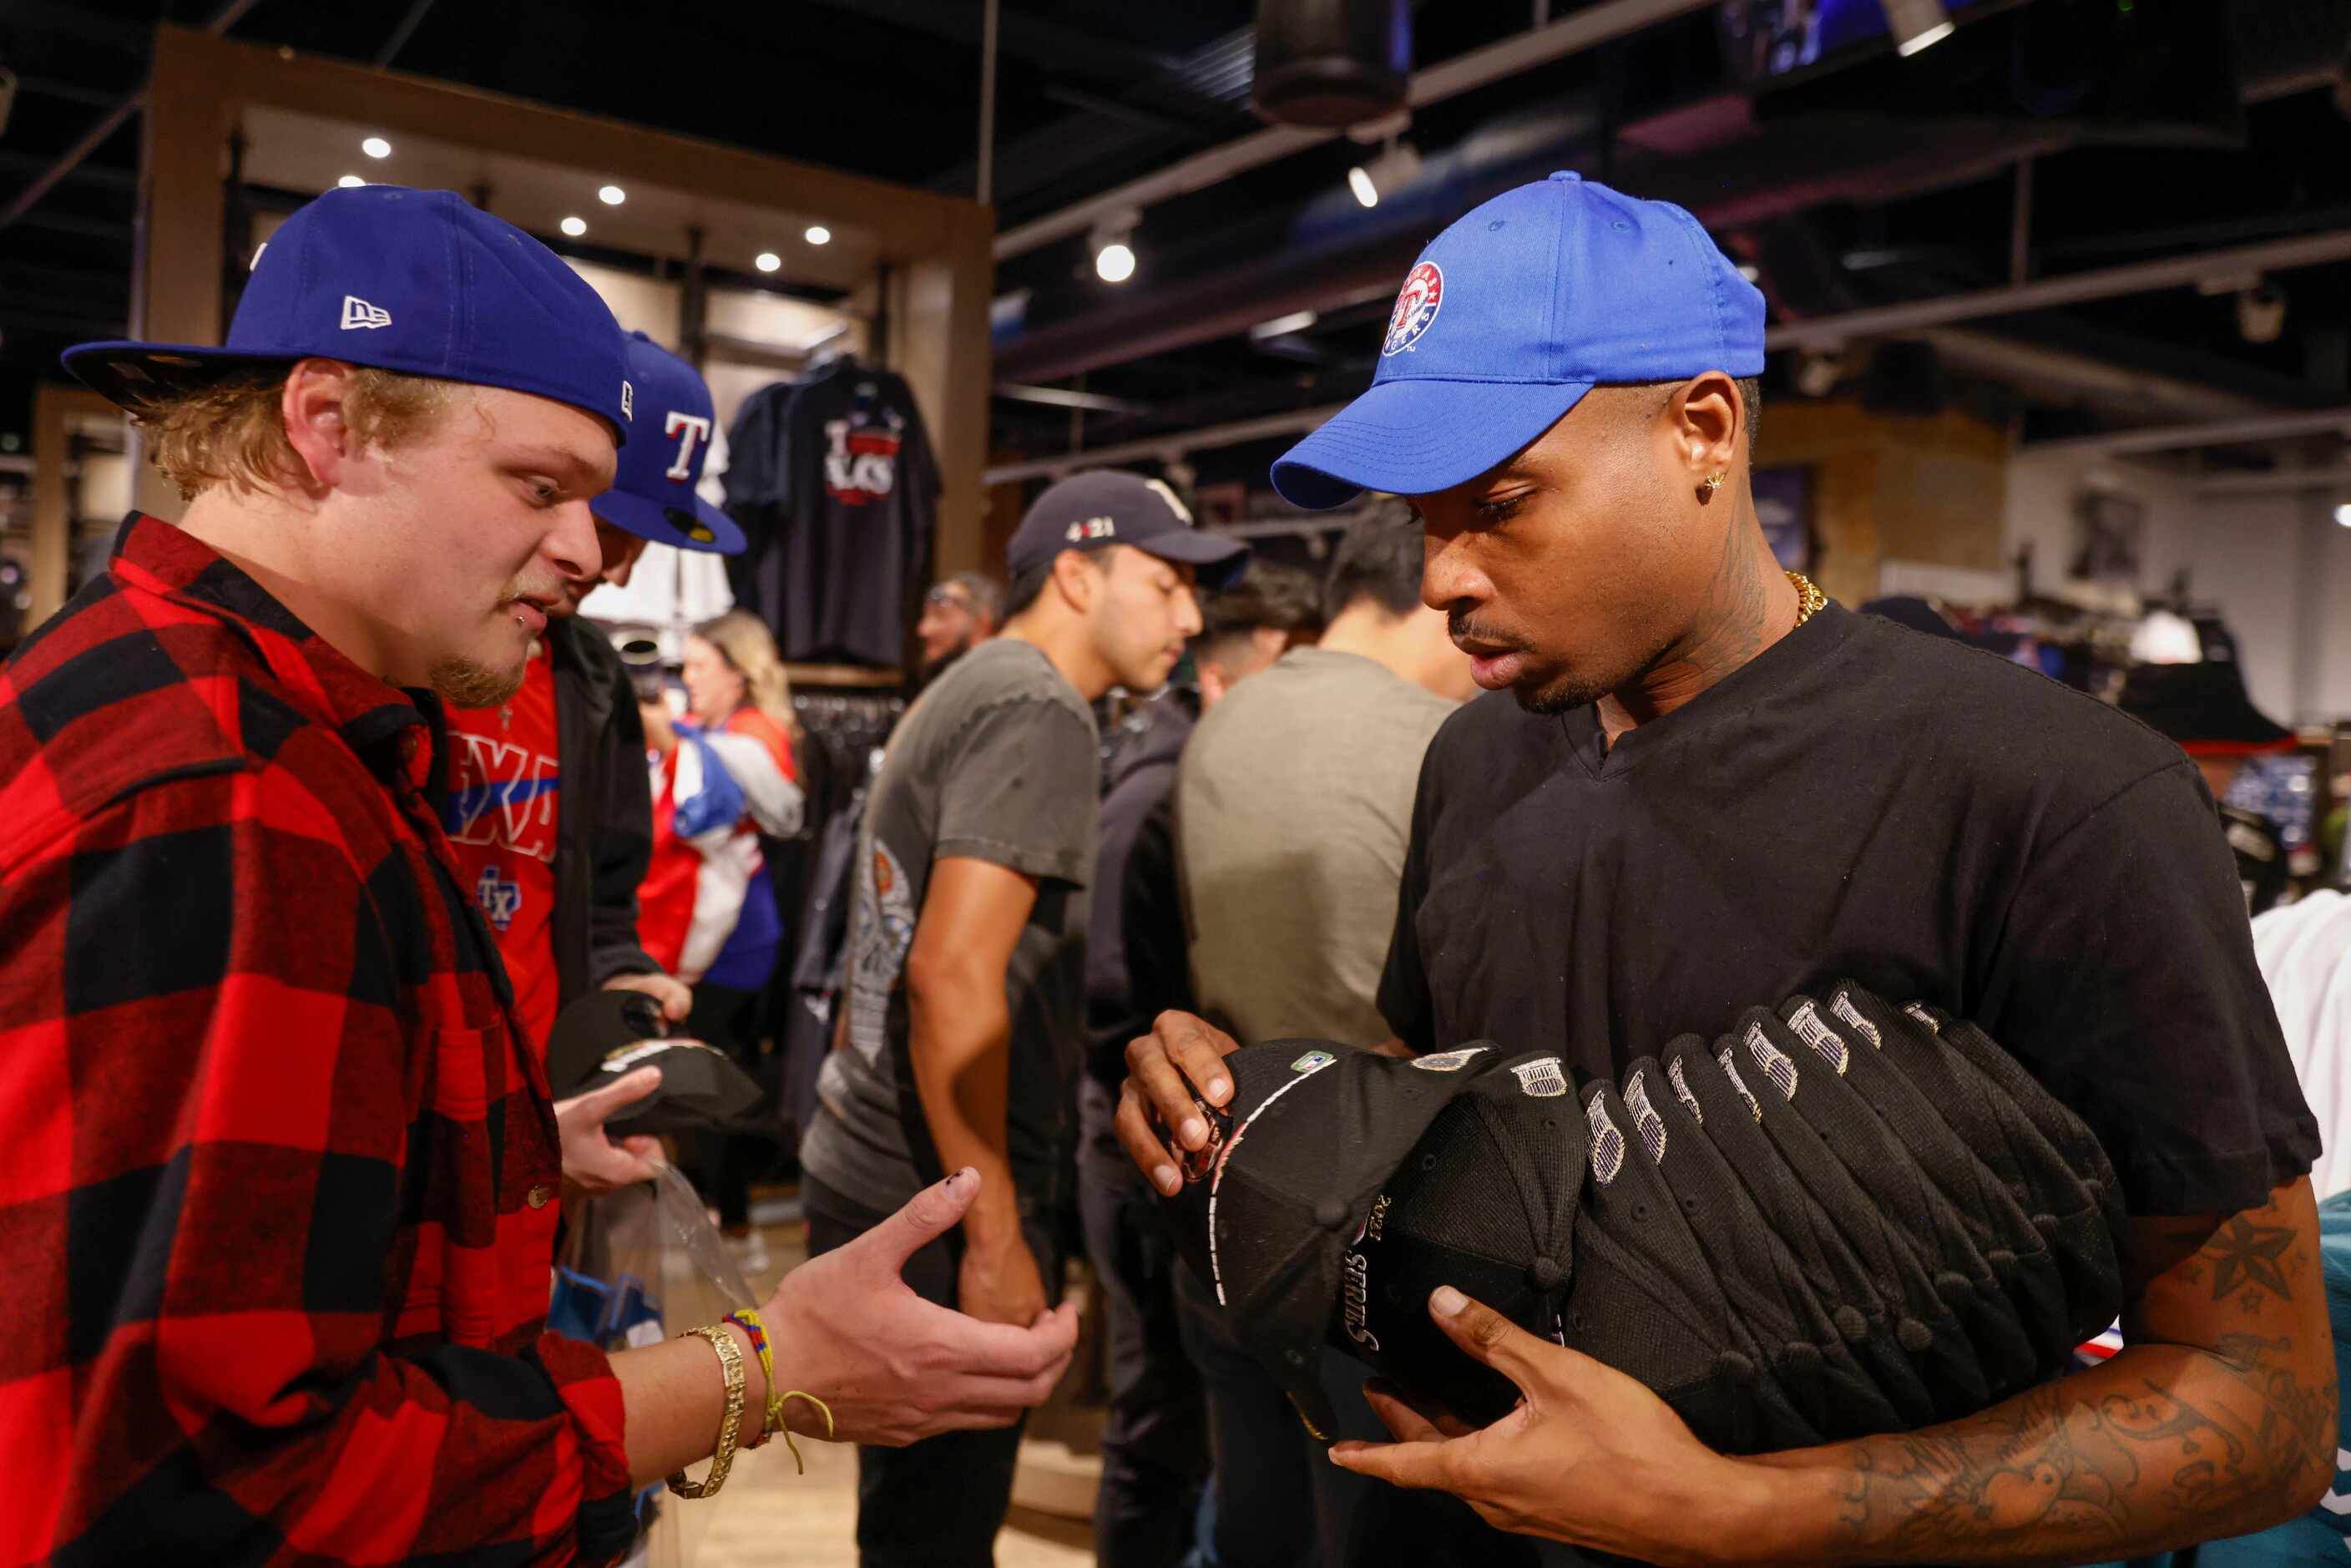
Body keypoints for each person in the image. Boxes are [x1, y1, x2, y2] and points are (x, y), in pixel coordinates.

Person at [1119, 172, 2329, 1565]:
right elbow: (1456, 1129)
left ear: (1704, 427)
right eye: (1424, 519)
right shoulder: (1473, 763)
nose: (1442, 572)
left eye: (1501, 500)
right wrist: (1264, 1118)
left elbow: (2264, 1402)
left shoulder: (2054, 794)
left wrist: (1741, 1511)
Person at [0, 185, 1079, 1565]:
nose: (588, 550)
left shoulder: (201, 698)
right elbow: (225, 1480)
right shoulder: (228, 789)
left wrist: (480, 1146)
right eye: (538, 484)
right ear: (325, 425)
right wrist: (762, 1365)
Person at [801, 468, 1245, 1565]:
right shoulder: (1038, 706)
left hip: (886, 1170)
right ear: (1082, 573)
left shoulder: (983, 681)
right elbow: (949, 975)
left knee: (913, 1523)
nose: (1190, 619)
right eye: (1167, 582)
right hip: (937, 1196)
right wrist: (993, 1233)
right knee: (937, 1532)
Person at [1158, 506, 1483, 1568]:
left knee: (1255, 1514)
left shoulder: (1226, 716)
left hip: (1222, 1177)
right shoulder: (1441, 740)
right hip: (1368, 1220)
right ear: (1430, 592)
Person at [1079, 555, 1322, 1568]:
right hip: (1147, 1141)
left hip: (1187, 1138)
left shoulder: (1211, 776)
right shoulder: (1164, 789)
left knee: (1194, 1424)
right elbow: (1112, 1003)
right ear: (1223, 678)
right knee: (1160, 1420)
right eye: (1286, 669)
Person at [437, 331, 742, 1077]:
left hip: (535, 1088)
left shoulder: (596, 678)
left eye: (642, 544)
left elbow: (604, 898)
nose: (615, 570)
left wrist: (620, 978)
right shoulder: (403, 653)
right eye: (612, 529)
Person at [638, 608, 805, 1263]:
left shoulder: (752, 733)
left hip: (731, 941)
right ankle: (723, 1218)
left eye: (701, 667)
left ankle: (727, 1220)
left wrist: (670, 734)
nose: (689, 680)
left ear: (739, 675)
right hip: (718, 935)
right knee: (706, 1075)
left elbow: (776, 805)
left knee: (711, 1079)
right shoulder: (719, 729)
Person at [916, 568, 1005, 680]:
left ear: (981, 625)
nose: (924, 630)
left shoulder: (998, 686)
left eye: (940, 616)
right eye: (926, 617)